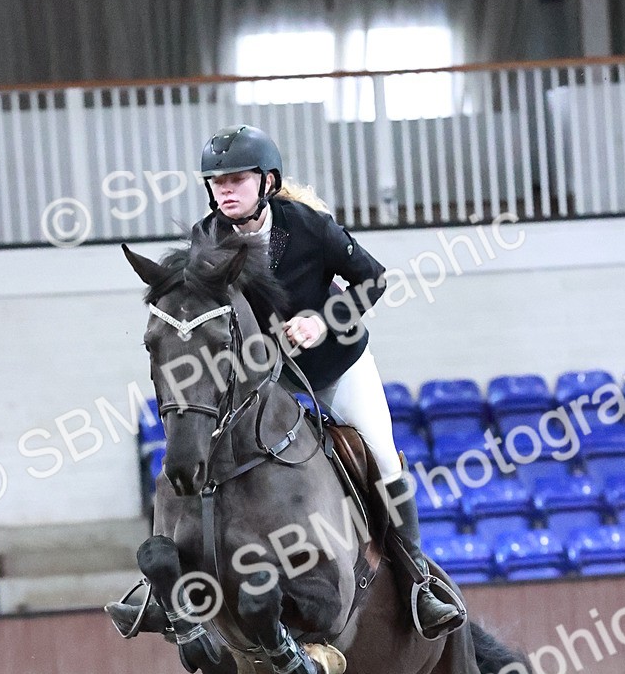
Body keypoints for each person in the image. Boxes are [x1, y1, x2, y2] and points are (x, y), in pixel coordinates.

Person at [198, 124, 465, 640]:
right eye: (216, 182)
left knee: (384, 457)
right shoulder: (207, 238)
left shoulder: (308, 225)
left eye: (236, 179)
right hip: (267, 379)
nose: (224, 190)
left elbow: (373, 279)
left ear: (268, 182)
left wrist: (322, 320)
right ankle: (180, 583)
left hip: (334, 368)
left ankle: (418, 585)